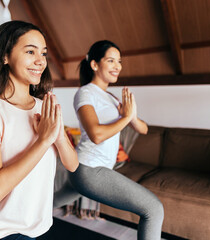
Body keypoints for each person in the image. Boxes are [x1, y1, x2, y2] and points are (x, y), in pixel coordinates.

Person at [0, 20, 78, 240]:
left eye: (43, 53)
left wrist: (57, 135)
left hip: (41, 225)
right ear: (5, 56)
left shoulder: (45, 106)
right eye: (30, 51)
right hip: (6, 231)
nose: (40, 61)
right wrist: (42, 140)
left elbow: (72, 164)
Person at [54, 40, 164, 240]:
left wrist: (131, 115)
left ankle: (18, 221)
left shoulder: (111, 97)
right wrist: (124, 118)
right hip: (89, 169)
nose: (117, 66)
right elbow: (96, 135)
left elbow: (144, 129)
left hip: (83, 169)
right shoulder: (85, 93)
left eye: (119, 61)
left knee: (49, 203)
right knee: (153, 209)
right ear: (95, 65)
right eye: (111, 60)